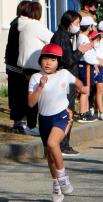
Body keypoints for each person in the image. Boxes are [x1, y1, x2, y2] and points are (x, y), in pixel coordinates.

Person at [28, 44, 89, 202]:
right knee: (50, 156)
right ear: (40, 61)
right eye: (45, 59)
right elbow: (30, 103)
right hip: (44, 119)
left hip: (62, 115)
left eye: (52, 59)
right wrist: (40, 87)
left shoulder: (64, 74)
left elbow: (78, 83)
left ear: (59, 62)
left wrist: (82, 89)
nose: (48, 62)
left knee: (52, 143)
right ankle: (56, 186)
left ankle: (63, 177)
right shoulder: (35, 78)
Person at [51, 10, 93, 156]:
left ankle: (62, 144)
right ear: (69, 23)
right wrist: (80, 51)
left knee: (65, 111)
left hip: (65, 79)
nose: (78, 26)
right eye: (76, 23)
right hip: (64, 79)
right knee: (67, 112)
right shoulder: (61, 37)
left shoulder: (65, 35)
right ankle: (62, 145)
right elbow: (68, 60)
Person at [17, 1, 53, 136]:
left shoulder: (23, 25)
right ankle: (32, 126)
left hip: (25, 66)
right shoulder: (36, 26)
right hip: (35, 66)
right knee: (36, 97)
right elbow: (52, 38)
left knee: (30, 95)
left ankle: (28, 124)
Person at [5, 1, 31, 133]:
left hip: (14, 64)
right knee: (18, 94)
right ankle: (18, 123)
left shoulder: (17, 22)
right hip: (17, 65)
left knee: (19, 94)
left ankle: (20, 122)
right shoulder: (20, 25)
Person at [76, 16, 98, 123]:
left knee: (86, 90)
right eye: (92, 26)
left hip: (84, 65)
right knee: (85, 90)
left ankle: (85, 112)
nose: (93, 28)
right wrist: (97, 62)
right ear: (89, 27)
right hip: (86, 66)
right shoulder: (83, 38)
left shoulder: (81, 37)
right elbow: (87, 56)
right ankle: (83, 113)